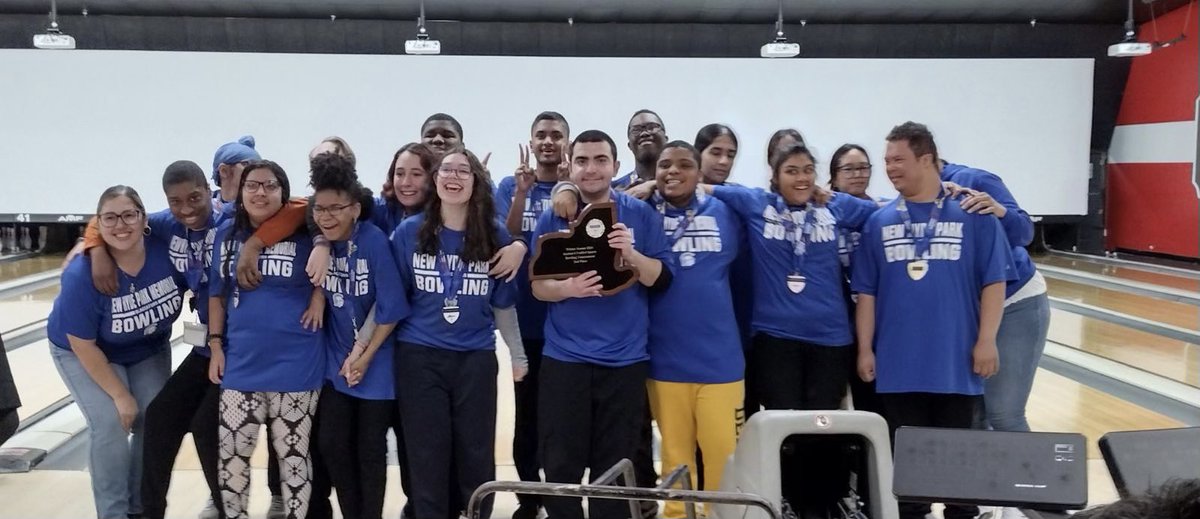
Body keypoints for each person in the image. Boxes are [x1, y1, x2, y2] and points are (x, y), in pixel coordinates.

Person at [852, 122, 1013, 519]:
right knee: (910, 479)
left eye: (898, 159)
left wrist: (987, 340)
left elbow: (994, 282)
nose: (890, 168)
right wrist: (865, 349)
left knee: (959, 476)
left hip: (955, 363)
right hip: (899, 366)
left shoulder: (974, 214)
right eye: (887, 160)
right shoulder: (879, 222)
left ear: (926, 160)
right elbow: (867, 294)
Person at [532, 129, 674, 519]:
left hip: (625, 363)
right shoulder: (553, 214)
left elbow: (660, 279)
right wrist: (568, 288)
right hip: (564, 361)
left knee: (614, 473)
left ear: (615, 165)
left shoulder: (641, 215)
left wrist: (631, 254)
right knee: (561, 467)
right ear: (570, 167)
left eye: (599, 160)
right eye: (581, 161)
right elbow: (538, 288)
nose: (590, 169)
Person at [392, 148, 524, 519]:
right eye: (446, 169)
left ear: (476, 181)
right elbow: (390, 302)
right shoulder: (409, 232)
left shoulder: (494, 233)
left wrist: (517, 356)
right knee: (427, 454)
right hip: (419, 356)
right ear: (434, 180)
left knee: (476, 453)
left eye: (463, 171)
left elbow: (502, 303)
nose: (453, 176)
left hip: (475, 358)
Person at [47, 185, 186, 519]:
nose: (121, 225)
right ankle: (113, 513)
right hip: (85, 351)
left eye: (128, 215)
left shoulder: (165, 246)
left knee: (153, 417)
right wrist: (121, 396)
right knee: (110, 421)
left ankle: (141, 508)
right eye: (109, 218)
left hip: (146, 347)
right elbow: (83, 343)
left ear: (143, 218)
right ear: (98, 222)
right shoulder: (82, 275)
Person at [206, 160, 326, 519]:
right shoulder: (226, 236)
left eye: (270, 186)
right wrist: (215, 345)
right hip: (242, 362)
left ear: (284, 194)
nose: (261, 192)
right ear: (240, 194)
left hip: (297, 363)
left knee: (293, 456)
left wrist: (318, 294)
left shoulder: (308, 233)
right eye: (253, 185)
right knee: (232, 453)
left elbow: (328, 276)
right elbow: (217, 294)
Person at [645, 141, 744, 518]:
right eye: (664, 165)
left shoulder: (727, 211)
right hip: (664, 362)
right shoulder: (641, 212)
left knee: (723, 458)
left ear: (699, 173)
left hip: (720, 363)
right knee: (674, 461)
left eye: (684, 164)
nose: (673, 171)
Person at [310, 153, 410, 519]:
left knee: (370, 450)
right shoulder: (322, 242)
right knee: (332, 443)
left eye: (335, 208)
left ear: (355, 208)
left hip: (377, 362)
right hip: (336, 363)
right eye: (320, 209)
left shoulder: (373, 241)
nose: (326, 216)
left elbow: (392, 308)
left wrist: (365, 357)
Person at [493, 110, 570, 519]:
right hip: (524, 323)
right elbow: (504, 237)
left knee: (557, 419)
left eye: (556, 135)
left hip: (566, 325)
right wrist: (522, 193)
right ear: (531, 140)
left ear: (567, 143)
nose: (548, 141)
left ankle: (559, 495)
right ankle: (529, 498)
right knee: (526, 416)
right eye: (541, 134)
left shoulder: (577, 188)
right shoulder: (510, 185)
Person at [939, 158, 1049, 433]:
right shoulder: (915, 197)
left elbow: (1025, 231)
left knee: (1004, 414)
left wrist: (1000, 211)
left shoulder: (975, 180)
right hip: (973, 312)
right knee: (975, 415)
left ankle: (1029, 476)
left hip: (1016, 301)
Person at [828, 144, 886, 417]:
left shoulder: (886, 213)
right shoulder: (823, 216)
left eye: (863, 167)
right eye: (848, 169)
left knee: (872, 406)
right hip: (836, 326)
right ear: (834, 177)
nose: (857, 174)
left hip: (875, 325)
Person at [613, 109, 668, 190]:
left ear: (666, 139)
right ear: (629, 145)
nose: (644, 133)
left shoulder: (683, 183)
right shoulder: (614, 191)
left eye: (652, 127)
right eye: (636, 130)